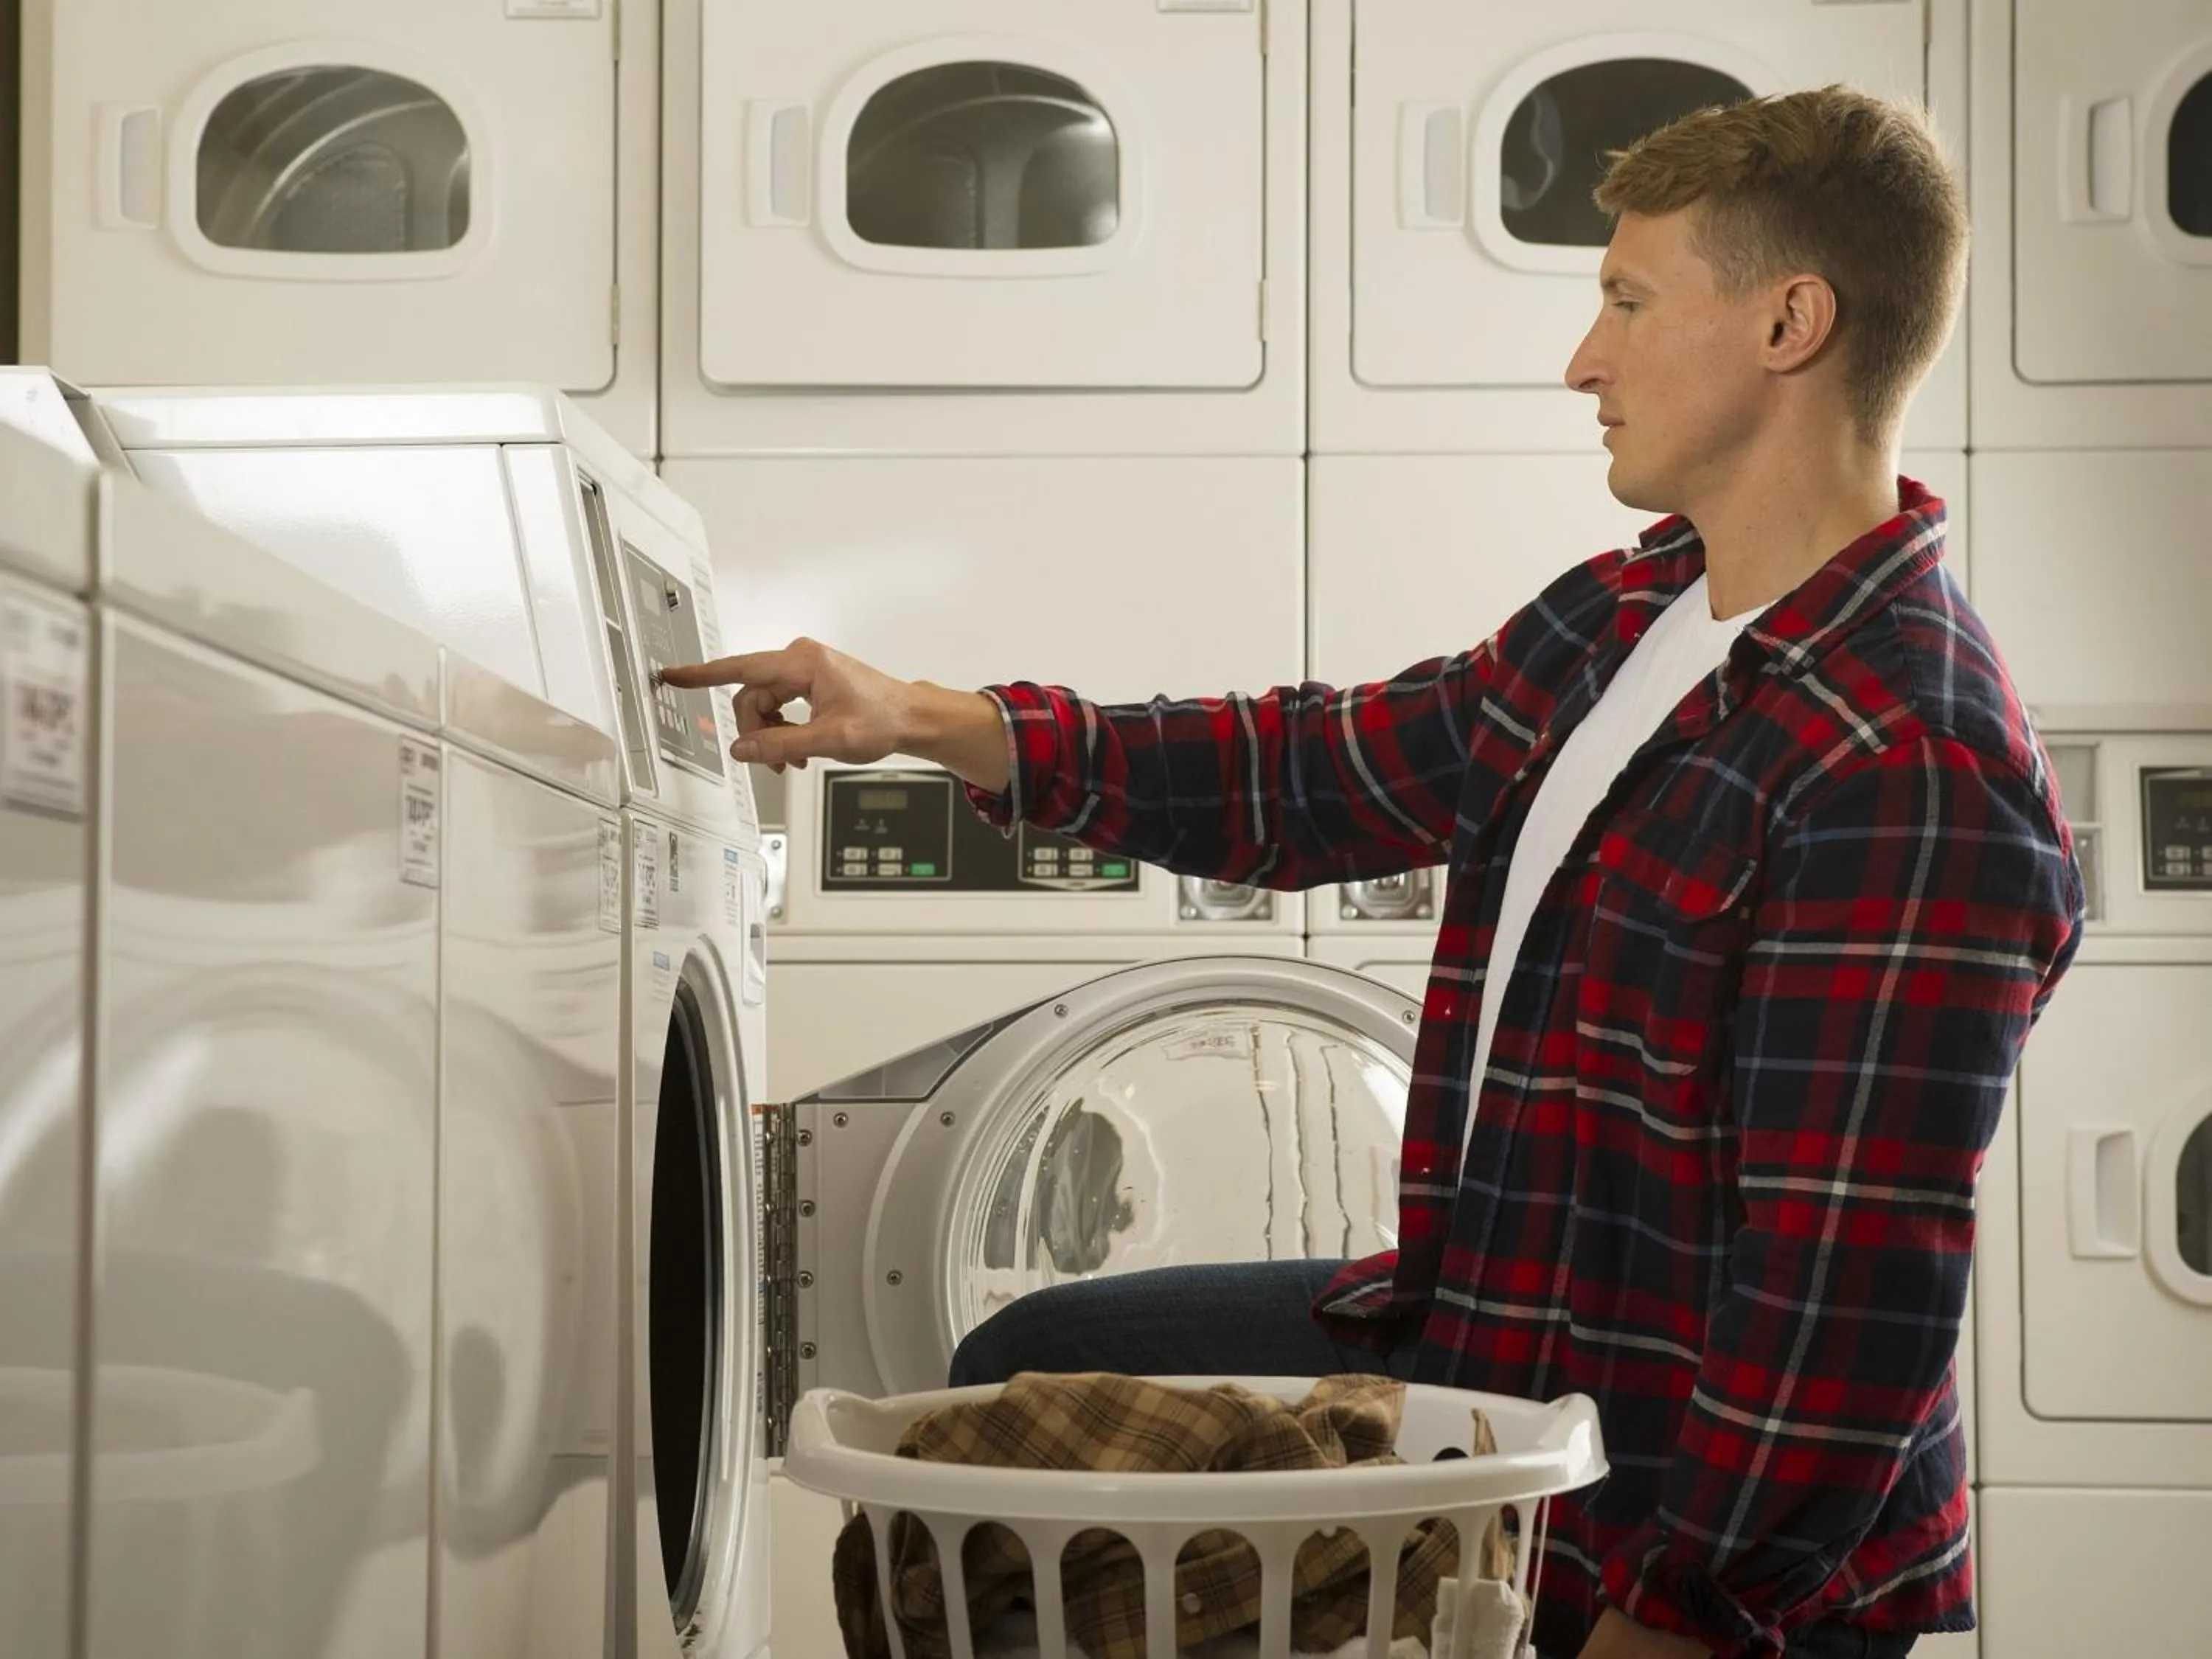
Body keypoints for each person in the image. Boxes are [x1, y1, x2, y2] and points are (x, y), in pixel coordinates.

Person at [661, 86, 2083, 1659]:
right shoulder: (1636, 617)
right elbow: (1321, 770)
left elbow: (1844, 1299)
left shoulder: (1908, 759)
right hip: (1496, 1333)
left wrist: (1674, 1619)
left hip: (1665, 1499)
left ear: (1789, 323)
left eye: (1626, 299)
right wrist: (927, 719)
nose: (1583, 359)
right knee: (1019, 1385)